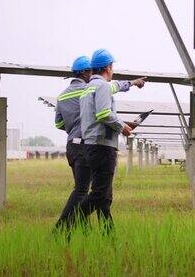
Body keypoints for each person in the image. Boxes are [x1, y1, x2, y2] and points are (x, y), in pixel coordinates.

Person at [54, 55, 144, 233]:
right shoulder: (93, 88)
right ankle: (64, 227)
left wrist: (74, 129)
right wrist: (132, 83)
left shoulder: (63, 96)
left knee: (96, 191)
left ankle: (104, 232)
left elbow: (58, 124)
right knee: (89, 191)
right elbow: (105, 106)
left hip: (73, 145)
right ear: (87, 72)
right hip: (92, 144)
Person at [78, 49, 136, 232]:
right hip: (102, 147)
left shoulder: (89, 87)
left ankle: (108, 233)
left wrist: (131, 84)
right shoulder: (102, 86)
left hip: (92, 146)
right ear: (108, 67)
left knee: (105, 196)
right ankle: (70, 220)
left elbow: (98, 115)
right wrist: (123, 127)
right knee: (100, 193)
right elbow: (103, 113)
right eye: (112, 67)